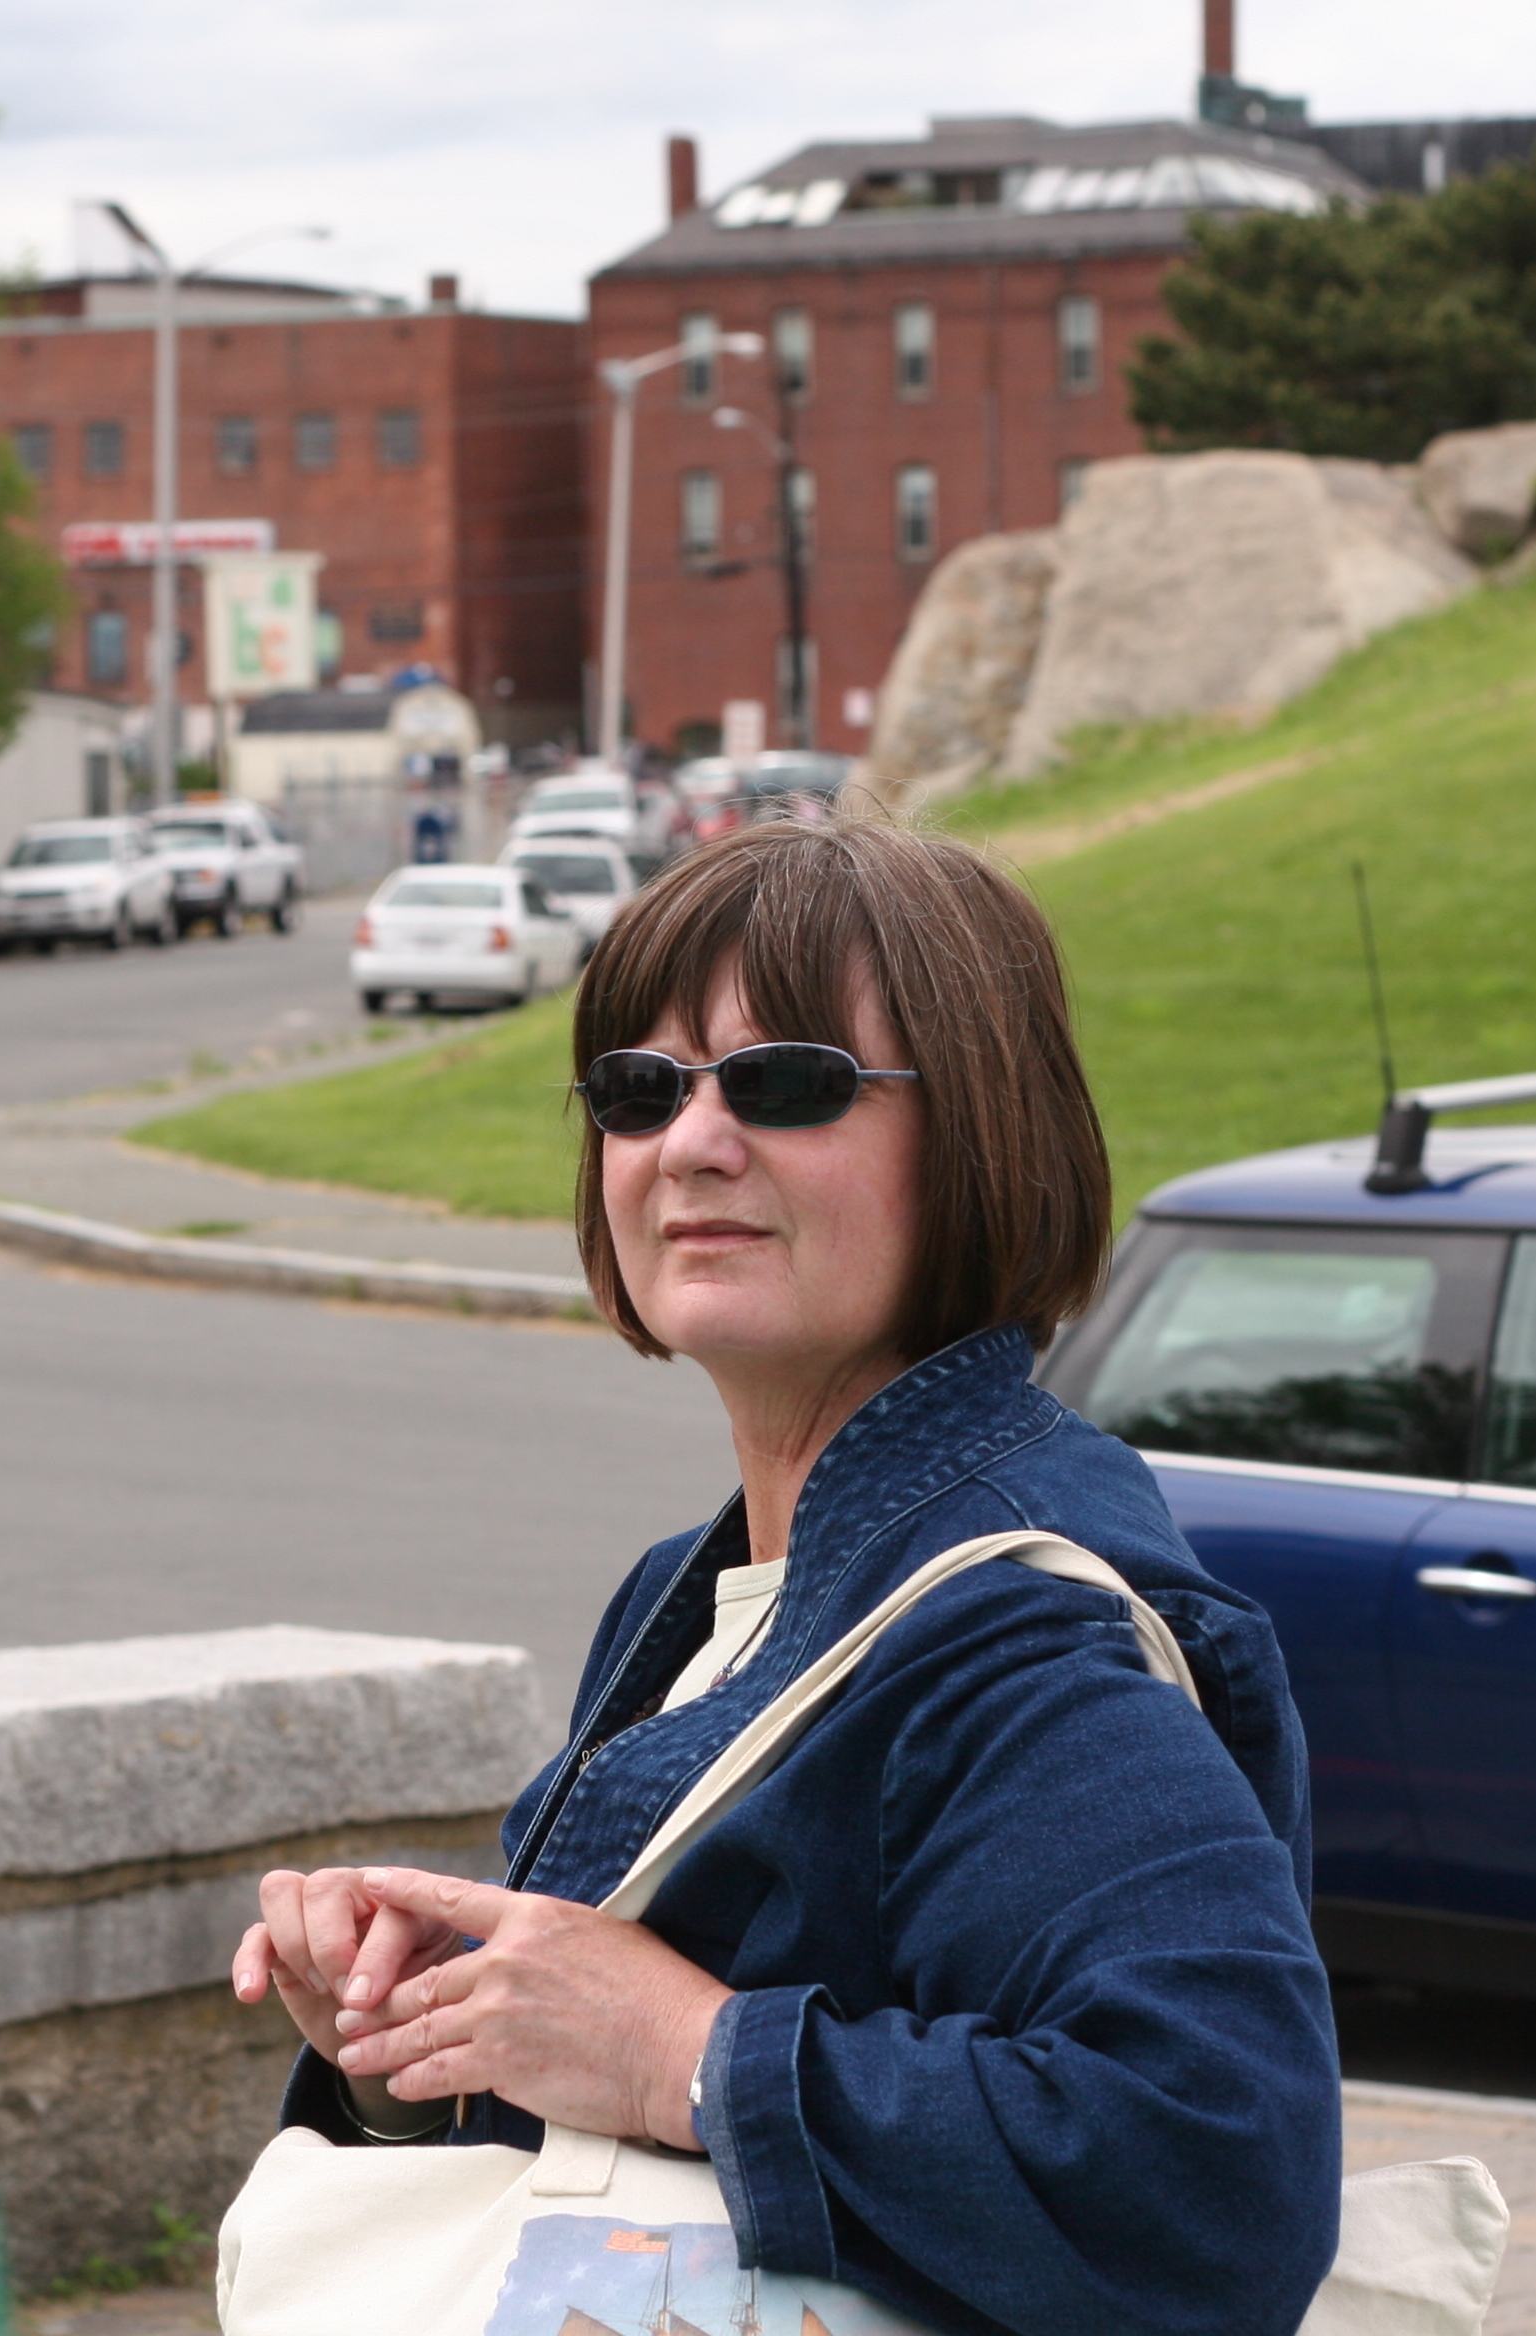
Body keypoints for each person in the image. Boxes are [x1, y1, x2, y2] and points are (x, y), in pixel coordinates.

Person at [229, 815, 1340, 2336]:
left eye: (788, 1082)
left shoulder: (1014, 1632)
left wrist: (683, 2051)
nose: (692, 1142)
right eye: (639, 1089)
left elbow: (1222, 2171)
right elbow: (614, 2134)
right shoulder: (686, 1593)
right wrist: (423, 2043)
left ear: (983, 1135)